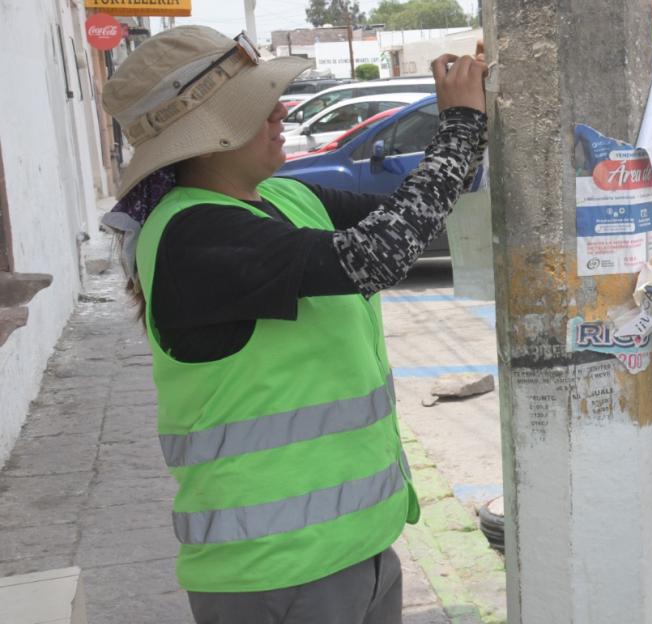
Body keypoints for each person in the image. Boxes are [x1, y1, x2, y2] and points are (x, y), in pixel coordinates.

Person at [97, 26, 487, 623]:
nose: (280, 111)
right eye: (257, 105)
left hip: (357, 550)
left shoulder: (283, 199)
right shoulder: (191, 235)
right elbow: (379, 255)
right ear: (205, 137)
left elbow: (419, 216)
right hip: (275, 573)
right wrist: (457, 126)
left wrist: (476, 114)